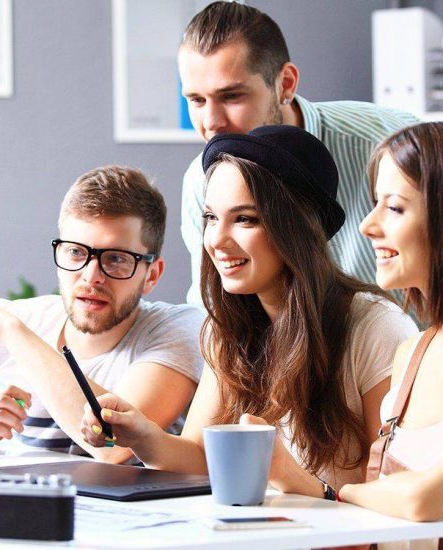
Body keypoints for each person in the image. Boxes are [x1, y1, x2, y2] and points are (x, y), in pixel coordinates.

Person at [80, 126, 417, 494]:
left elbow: (390, 497)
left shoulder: (377, 328)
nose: (216, 240)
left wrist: (283, 471)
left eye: (244, 219)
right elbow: (201, 460)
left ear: (297, 228)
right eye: (211, 217)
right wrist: (141, 434)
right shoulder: (228, 330)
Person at [179, 1, 418, 308]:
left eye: (232, 96)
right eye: (197, 100)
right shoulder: (200, 181)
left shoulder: (387, 144)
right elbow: (212, 308)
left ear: (286, 84)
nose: (211, 122)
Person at [0, 165, 204, 464]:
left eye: (116, 258)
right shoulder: (27, 316)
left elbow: (113, 446)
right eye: (76, 252)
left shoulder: (179, 330)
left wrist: (11, 331)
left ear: (151, 275)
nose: (91, 276)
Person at [338, 123, 443, 526]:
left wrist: (346, 492)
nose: (367, 225)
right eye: (374, 203)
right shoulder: (410, 354)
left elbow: (423, 500)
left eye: (394, 208)